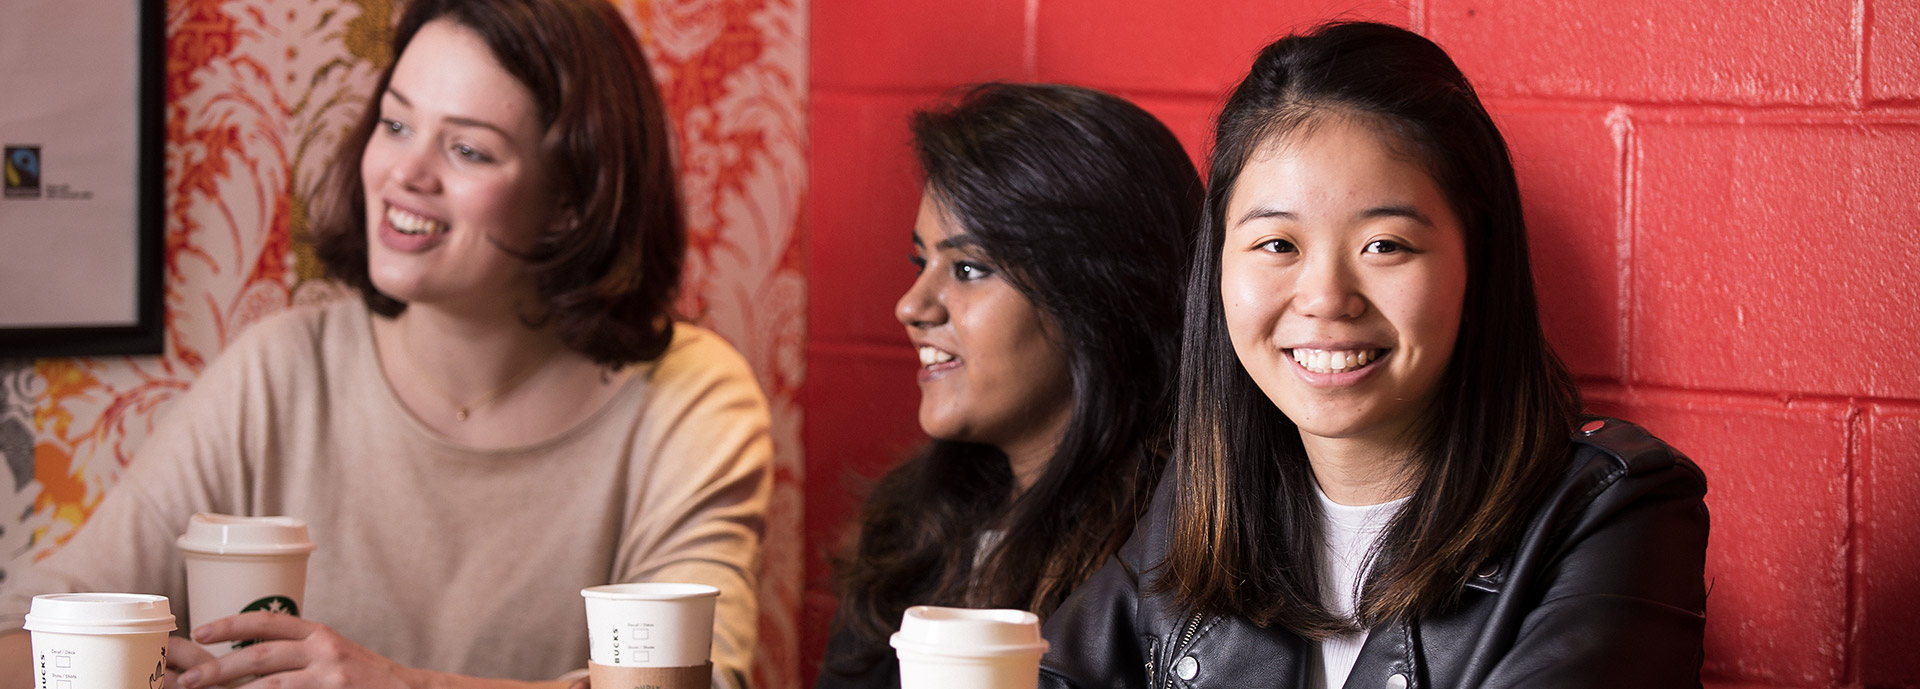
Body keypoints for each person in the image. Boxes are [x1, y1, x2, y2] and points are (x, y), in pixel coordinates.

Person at [0, 1, 770, 688]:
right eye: (395, 124)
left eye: (467, 149)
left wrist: (398, 684)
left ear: (572, 198)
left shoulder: (690, 398)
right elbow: (32, 628)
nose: (404, 172)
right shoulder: (281, 371)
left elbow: (695, 684)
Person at [1038, 21, 1710, 689]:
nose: (1327, 298)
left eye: (1385, 245)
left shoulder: (1614, 512)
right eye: (1278, 245)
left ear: (1479, 266)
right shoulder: (1202, 502)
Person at [815, 83, 1202, 689]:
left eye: (969, 268)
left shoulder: (1183, 558)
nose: (911, 306)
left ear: (1098, 298)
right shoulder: (908, 533)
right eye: (923, 263)